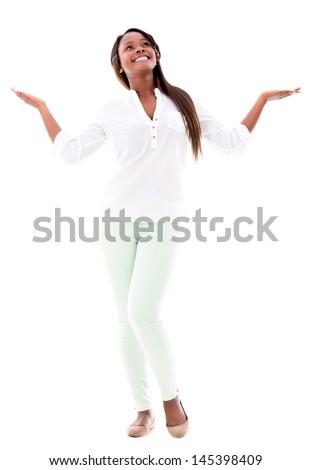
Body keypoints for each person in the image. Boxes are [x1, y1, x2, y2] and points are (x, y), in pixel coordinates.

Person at [11, 27, 300, 439]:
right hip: (115, 220)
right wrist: (42, 107)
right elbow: (72, 153)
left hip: (166, 219)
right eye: (128, 47)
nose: (138, 50)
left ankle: (170, 399)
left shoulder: (182, 103)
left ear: (156, 54)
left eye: (144, 44)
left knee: (143, 312)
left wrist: (261, 102)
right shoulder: (112, 109)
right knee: (124, 318)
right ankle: (143, 408)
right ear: (120, 64)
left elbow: (233, 144)